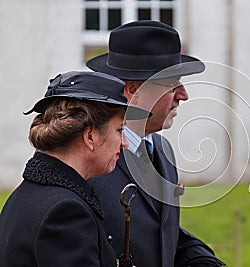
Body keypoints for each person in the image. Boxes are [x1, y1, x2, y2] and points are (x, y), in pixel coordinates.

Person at [86, 20, 225, 267]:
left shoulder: (162, 149)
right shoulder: (89, 156)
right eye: (173, 84)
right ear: (133, 91)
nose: (183, 95)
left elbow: (163, 231)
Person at [0, 71, 150, 266]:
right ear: (90, 136)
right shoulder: (65, 212)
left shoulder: (28, 194)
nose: (125, 143)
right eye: (120, 130)